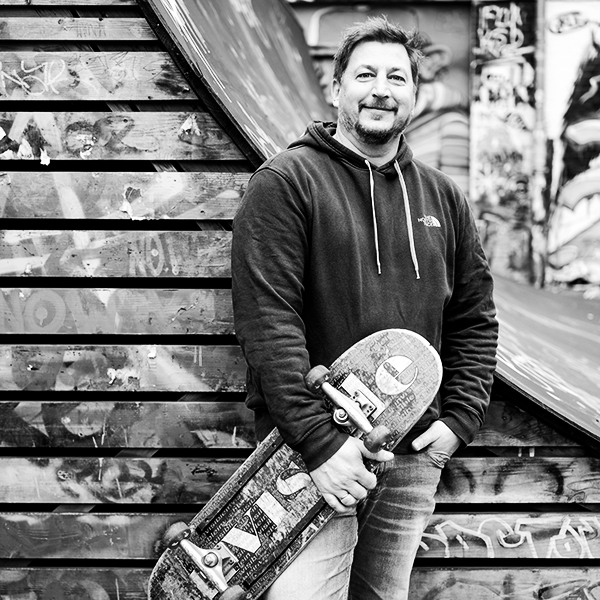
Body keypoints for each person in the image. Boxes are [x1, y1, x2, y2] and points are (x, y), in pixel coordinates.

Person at [231, 15, 498, 600]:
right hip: (308, 458)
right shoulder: (287, 181)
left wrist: (459, 420)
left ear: (414, 93)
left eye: (397, 78)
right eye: (365, 75)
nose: (381, 90)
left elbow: (474, 318)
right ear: (336, 88)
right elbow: (268, 323)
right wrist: (319, 445)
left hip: (410, 459)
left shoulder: (444, 197)